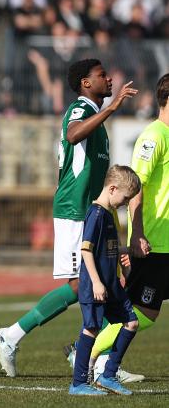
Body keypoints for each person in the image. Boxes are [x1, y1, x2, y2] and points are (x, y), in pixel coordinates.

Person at [0, 59, 137, 377]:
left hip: (92, 211)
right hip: (74, 209)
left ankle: (96, 360)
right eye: (101, 75)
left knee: (105, 285)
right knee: (78, 286)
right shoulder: (80, 109)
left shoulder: (98, 122)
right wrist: (111, 109)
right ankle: (12, 335)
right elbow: (72, 136)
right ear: (86, 83)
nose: (108, 78)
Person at [72, 73, 169, 380]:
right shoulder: (154, 137)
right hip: (156, 241)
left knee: (145, 312)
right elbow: (135, 188)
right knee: (145, 312)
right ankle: (86, 352)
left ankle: (95, 357)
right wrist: (137, 233)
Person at [69, 165, 141, 396]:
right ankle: (78, 383)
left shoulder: (108, 214)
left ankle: (108, 375)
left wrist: (126, 253)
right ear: (112, 189)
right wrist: (97, 282)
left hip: (112, 285)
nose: (125, 202)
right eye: (125, 197)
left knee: (131, 322)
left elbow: (106, 249)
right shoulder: (97, 214)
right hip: (96, 285)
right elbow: (86, 250)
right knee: (90, 328)